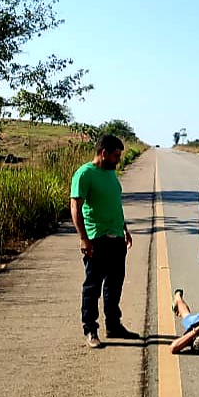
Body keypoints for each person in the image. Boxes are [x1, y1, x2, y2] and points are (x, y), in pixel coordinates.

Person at [70, 134, 138, 348]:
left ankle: (113, 325)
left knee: (114, 284)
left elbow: (115, 204)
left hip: (116, 238)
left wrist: (124, 229)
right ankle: (90, 330)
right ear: (103, 153)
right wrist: (83, 238)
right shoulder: (84, 174)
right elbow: (75, 208)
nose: (118, 160)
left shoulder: (111, 174)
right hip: (96, 239)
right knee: (92, 286)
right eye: (116, 156)